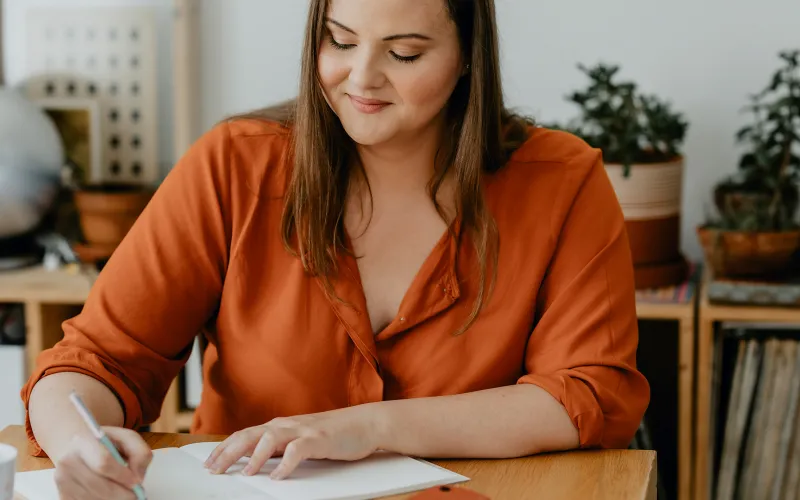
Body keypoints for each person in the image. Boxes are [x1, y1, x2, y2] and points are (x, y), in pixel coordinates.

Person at [21, 0, 650, 498]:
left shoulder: (562, 180)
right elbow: (94, 361)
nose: (362, 77)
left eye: (404, 52)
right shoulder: (235, 166)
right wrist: (82, 446)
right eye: (340, 41)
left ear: (467, 57)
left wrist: (367, 429)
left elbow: (588, 394)